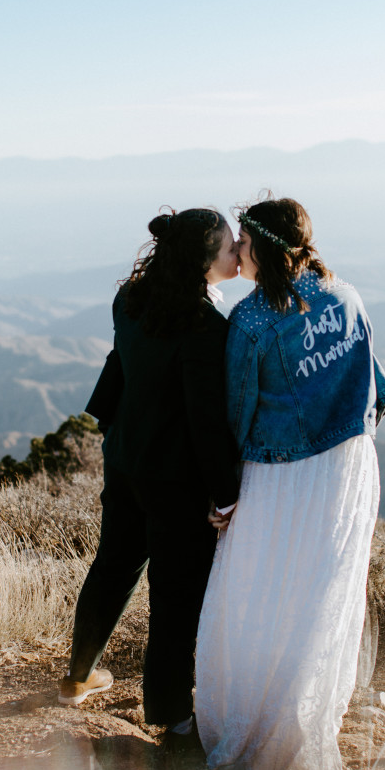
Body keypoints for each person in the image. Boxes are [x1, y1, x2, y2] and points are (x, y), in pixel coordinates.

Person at [195, 196, 385, 770]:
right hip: (350, 463)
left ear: (262, 246)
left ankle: (259, 717)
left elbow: (237, 411)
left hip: (285, 474)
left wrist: (224, 491)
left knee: (262, 586)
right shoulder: (346, 294)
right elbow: (372, 384)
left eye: (242, 242)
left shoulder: (253, 320)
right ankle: (307, 710)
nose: (236, 251)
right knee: (321, 586)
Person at [59, 207, 242, 735]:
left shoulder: (131, 299)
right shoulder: (204, 324)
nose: (237, 254)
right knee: (174, 598)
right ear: (204, 259)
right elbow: (205, 422)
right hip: (176, 481)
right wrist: (226, 495)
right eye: (230, 247)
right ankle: (170, 718)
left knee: (112, 567)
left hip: (124, 461)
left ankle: (78, 677)